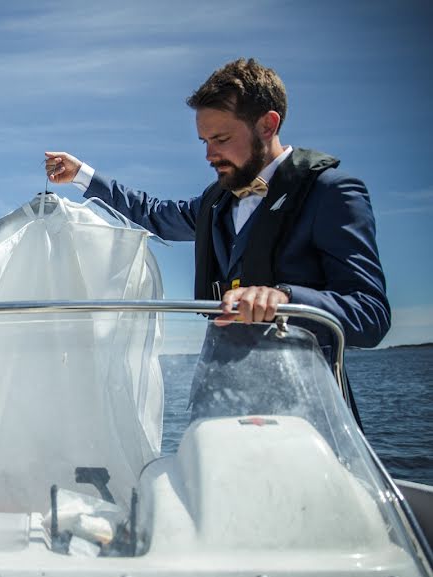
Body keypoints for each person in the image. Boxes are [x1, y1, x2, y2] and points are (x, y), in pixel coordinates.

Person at [45, 58, 390, 423]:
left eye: (222, 139)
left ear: (267, 125)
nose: (209, 155)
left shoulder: (331, 193)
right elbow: (154, 215)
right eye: (205, 141)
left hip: (306, 419)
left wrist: (286, 299)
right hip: (221, 412)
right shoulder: (217, 202)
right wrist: (83, 175)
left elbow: (370, 314)